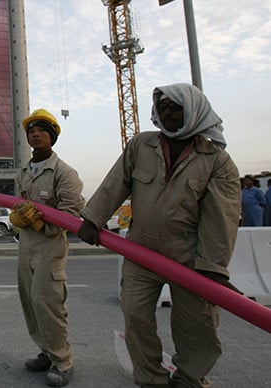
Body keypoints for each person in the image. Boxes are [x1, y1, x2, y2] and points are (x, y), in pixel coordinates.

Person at [77, 83, 241, 387]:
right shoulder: (141, 145)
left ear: (193, 111)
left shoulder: (216, 161)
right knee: (136, 316)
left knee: (197, 325)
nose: (167, 112)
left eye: (174, 107)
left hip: (190, 256)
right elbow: (116, 182)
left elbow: (222, 219)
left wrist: (213, 266)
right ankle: (151, 378)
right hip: (141, 249)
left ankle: (190, 378)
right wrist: (93, 218)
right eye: (162, 107)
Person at [7, 108, 84, 387]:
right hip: (26, 243)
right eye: (31, 130)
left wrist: (42, 224)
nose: (35, 134)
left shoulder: (64, 172)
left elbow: (72, 213)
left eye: (42, 130)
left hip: (50, 245)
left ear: (52, 137)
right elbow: (17, 206)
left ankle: (63, 361)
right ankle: (46, 352)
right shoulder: (23, 172)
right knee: (30, 300)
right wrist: (17, 218)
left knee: (48, 301)